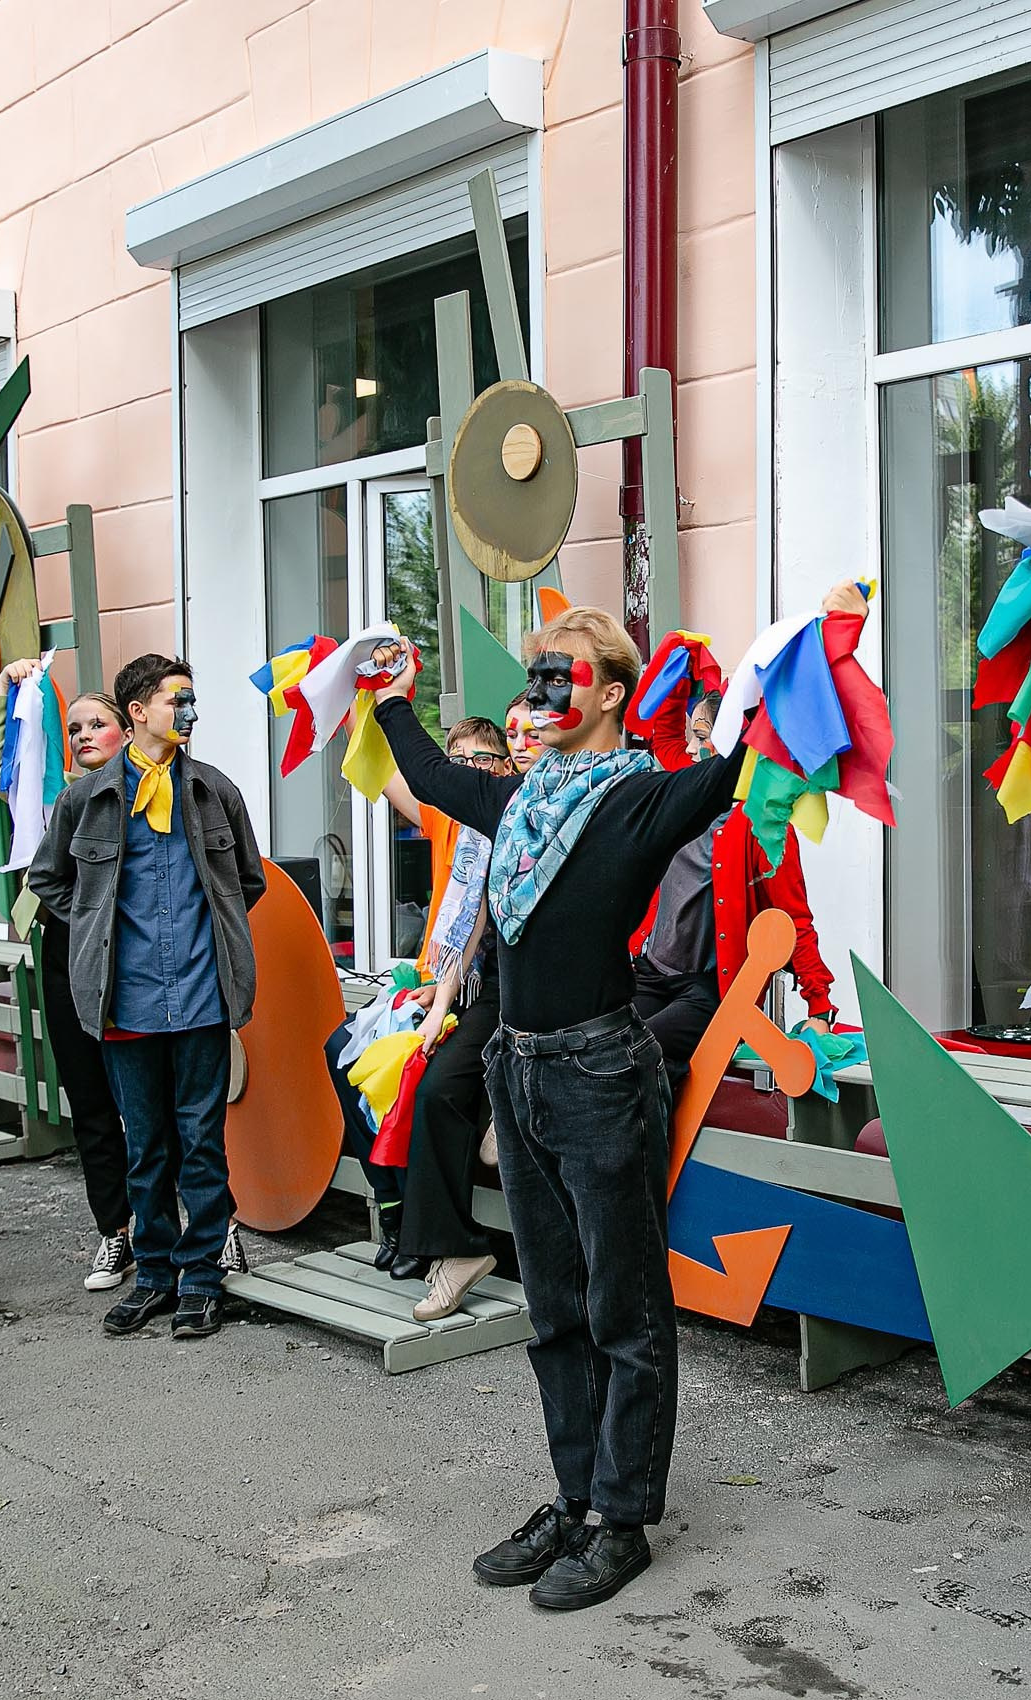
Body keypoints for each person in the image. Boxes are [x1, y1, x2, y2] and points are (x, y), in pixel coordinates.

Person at [374, 585, 866, 1613]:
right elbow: (427, 774)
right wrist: (388, 700)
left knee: (623, 1305)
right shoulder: (519, 800)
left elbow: (736, 767)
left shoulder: (641, 798)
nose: (537, 693)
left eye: (559, 675)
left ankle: (622, 1516)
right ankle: (572, 1494)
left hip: (601, 1072)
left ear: (607, 696)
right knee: (553, 1305)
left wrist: (799, 652)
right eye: (532, 675)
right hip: (519, 1065)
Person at [29, 654, 267, 1343]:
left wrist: (208, 934)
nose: (189, 713)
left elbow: (246, 882)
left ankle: (200, 1281)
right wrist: (97, 924)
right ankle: (155, 1276)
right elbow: (48, 880)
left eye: (192, 702)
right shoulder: (87, 798)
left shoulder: (214, 791)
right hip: (124, 1000)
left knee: (200, 1142)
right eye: (177, 701)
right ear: (138, 712)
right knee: (147, 1146)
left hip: (200, 998)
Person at [321, 714, 511, 1285]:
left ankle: (421, 1228)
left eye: (483, 759)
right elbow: (392, 773)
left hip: (476, 994)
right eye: (459, 763)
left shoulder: (505, 815)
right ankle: (392, 1202)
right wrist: (360, 704)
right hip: (436, 981)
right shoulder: (443, 816)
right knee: (342, 1051)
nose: (471, 771)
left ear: (502, 765)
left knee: (413, 1075)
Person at [0, 661, 136, 1294]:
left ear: (129, 728)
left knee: (160, 1105)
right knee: (91, 1104)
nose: (83, 734)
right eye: (73, 726)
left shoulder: (157, 792)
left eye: (97, 724)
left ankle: (208, 1230)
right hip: (69, 960)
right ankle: (117, 1231)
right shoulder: (52, 795)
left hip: (137, 964)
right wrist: (6, 693)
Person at [627, 690, 841, 1084]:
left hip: (708, 988)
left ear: (732, 742)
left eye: (702, 735)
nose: (690, 748)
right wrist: (683, 657)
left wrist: (819, 1007)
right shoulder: (680, 791)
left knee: (639, 1049)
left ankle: (652, 1138)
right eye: (691, 734)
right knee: (596, 1044)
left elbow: (794, 919)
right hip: (651, 971)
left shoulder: (763, 824)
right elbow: (665, 735)